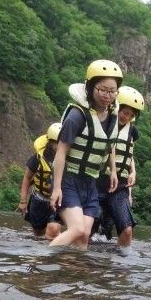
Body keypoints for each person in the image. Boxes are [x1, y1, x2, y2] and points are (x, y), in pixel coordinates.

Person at [49, 59, 120, 248]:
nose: (107, 95)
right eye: (102, 89)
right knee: (77, 229)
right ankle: (38, 265)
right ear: (90, 87)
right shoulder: (76, 116)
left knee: (84, 236)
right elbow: (61, 152)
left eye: (112, 91)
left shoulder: (113, 117)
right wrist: (56, 188)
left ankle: (73, 275)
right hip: (68, 179)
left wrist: (112, 170)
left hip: (90, 181)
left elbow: (108, 143)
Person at [95, 85, 143, 252]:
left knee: (127, 230)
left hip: (120, 186)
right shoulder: (105, 121)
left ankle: (118, 265)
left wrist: (133, 172)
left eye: (131, 115)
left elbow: (129, 155)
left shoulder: (133, 131)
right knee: (90, 226)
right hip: (98, 181)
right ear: (118, 108)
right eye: (124, 112)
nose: (126, 117)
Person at [17, 122, 63, 240]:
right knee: (38, 234)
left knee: (52, 230)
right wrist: (23, 201)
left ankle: (51, 254)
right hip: (39, 199)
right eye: (59, 143)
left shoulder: (67, 158)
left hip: (57, 202)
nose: (62, 146)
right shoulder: (38, 157)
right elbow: (27, 178)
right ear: (51, 142)